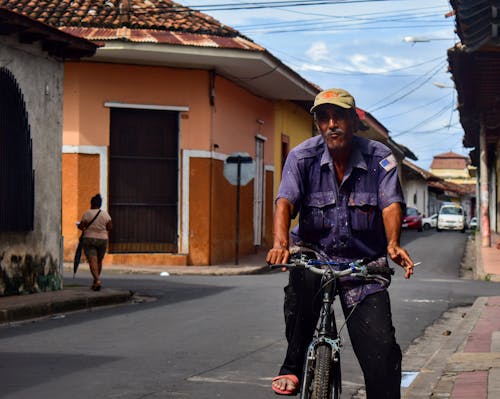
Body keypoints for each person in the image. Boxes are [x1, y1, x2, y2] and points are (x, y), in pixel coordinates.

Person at [266, 88, 414, 398]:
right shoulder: (301, 157)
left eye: (339, 117)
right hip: (314, 258)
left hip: (362, 268)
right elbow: (284, 201)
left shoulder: (379, 157)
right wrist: (280, 243)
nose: (332, 124)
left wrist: (394, 243)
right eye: (324, 118)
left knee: (382, 356)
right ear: (318, 124)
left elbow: (390, 204)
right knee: (300, 290)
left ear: (353, 120)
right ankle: (291, 366)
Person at [78, 194, 112, 291]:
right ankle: (95, 281)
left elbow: (81, 226)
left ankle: (97, 280)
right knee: (99, 261)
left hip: (89, 239)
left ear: (91, 203)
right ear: (100, 204)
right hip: (103, 240)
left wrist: (81, 226)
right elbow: (109, 227)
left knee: (93, 261)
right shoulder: (105, 214)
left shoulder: (87, 213)